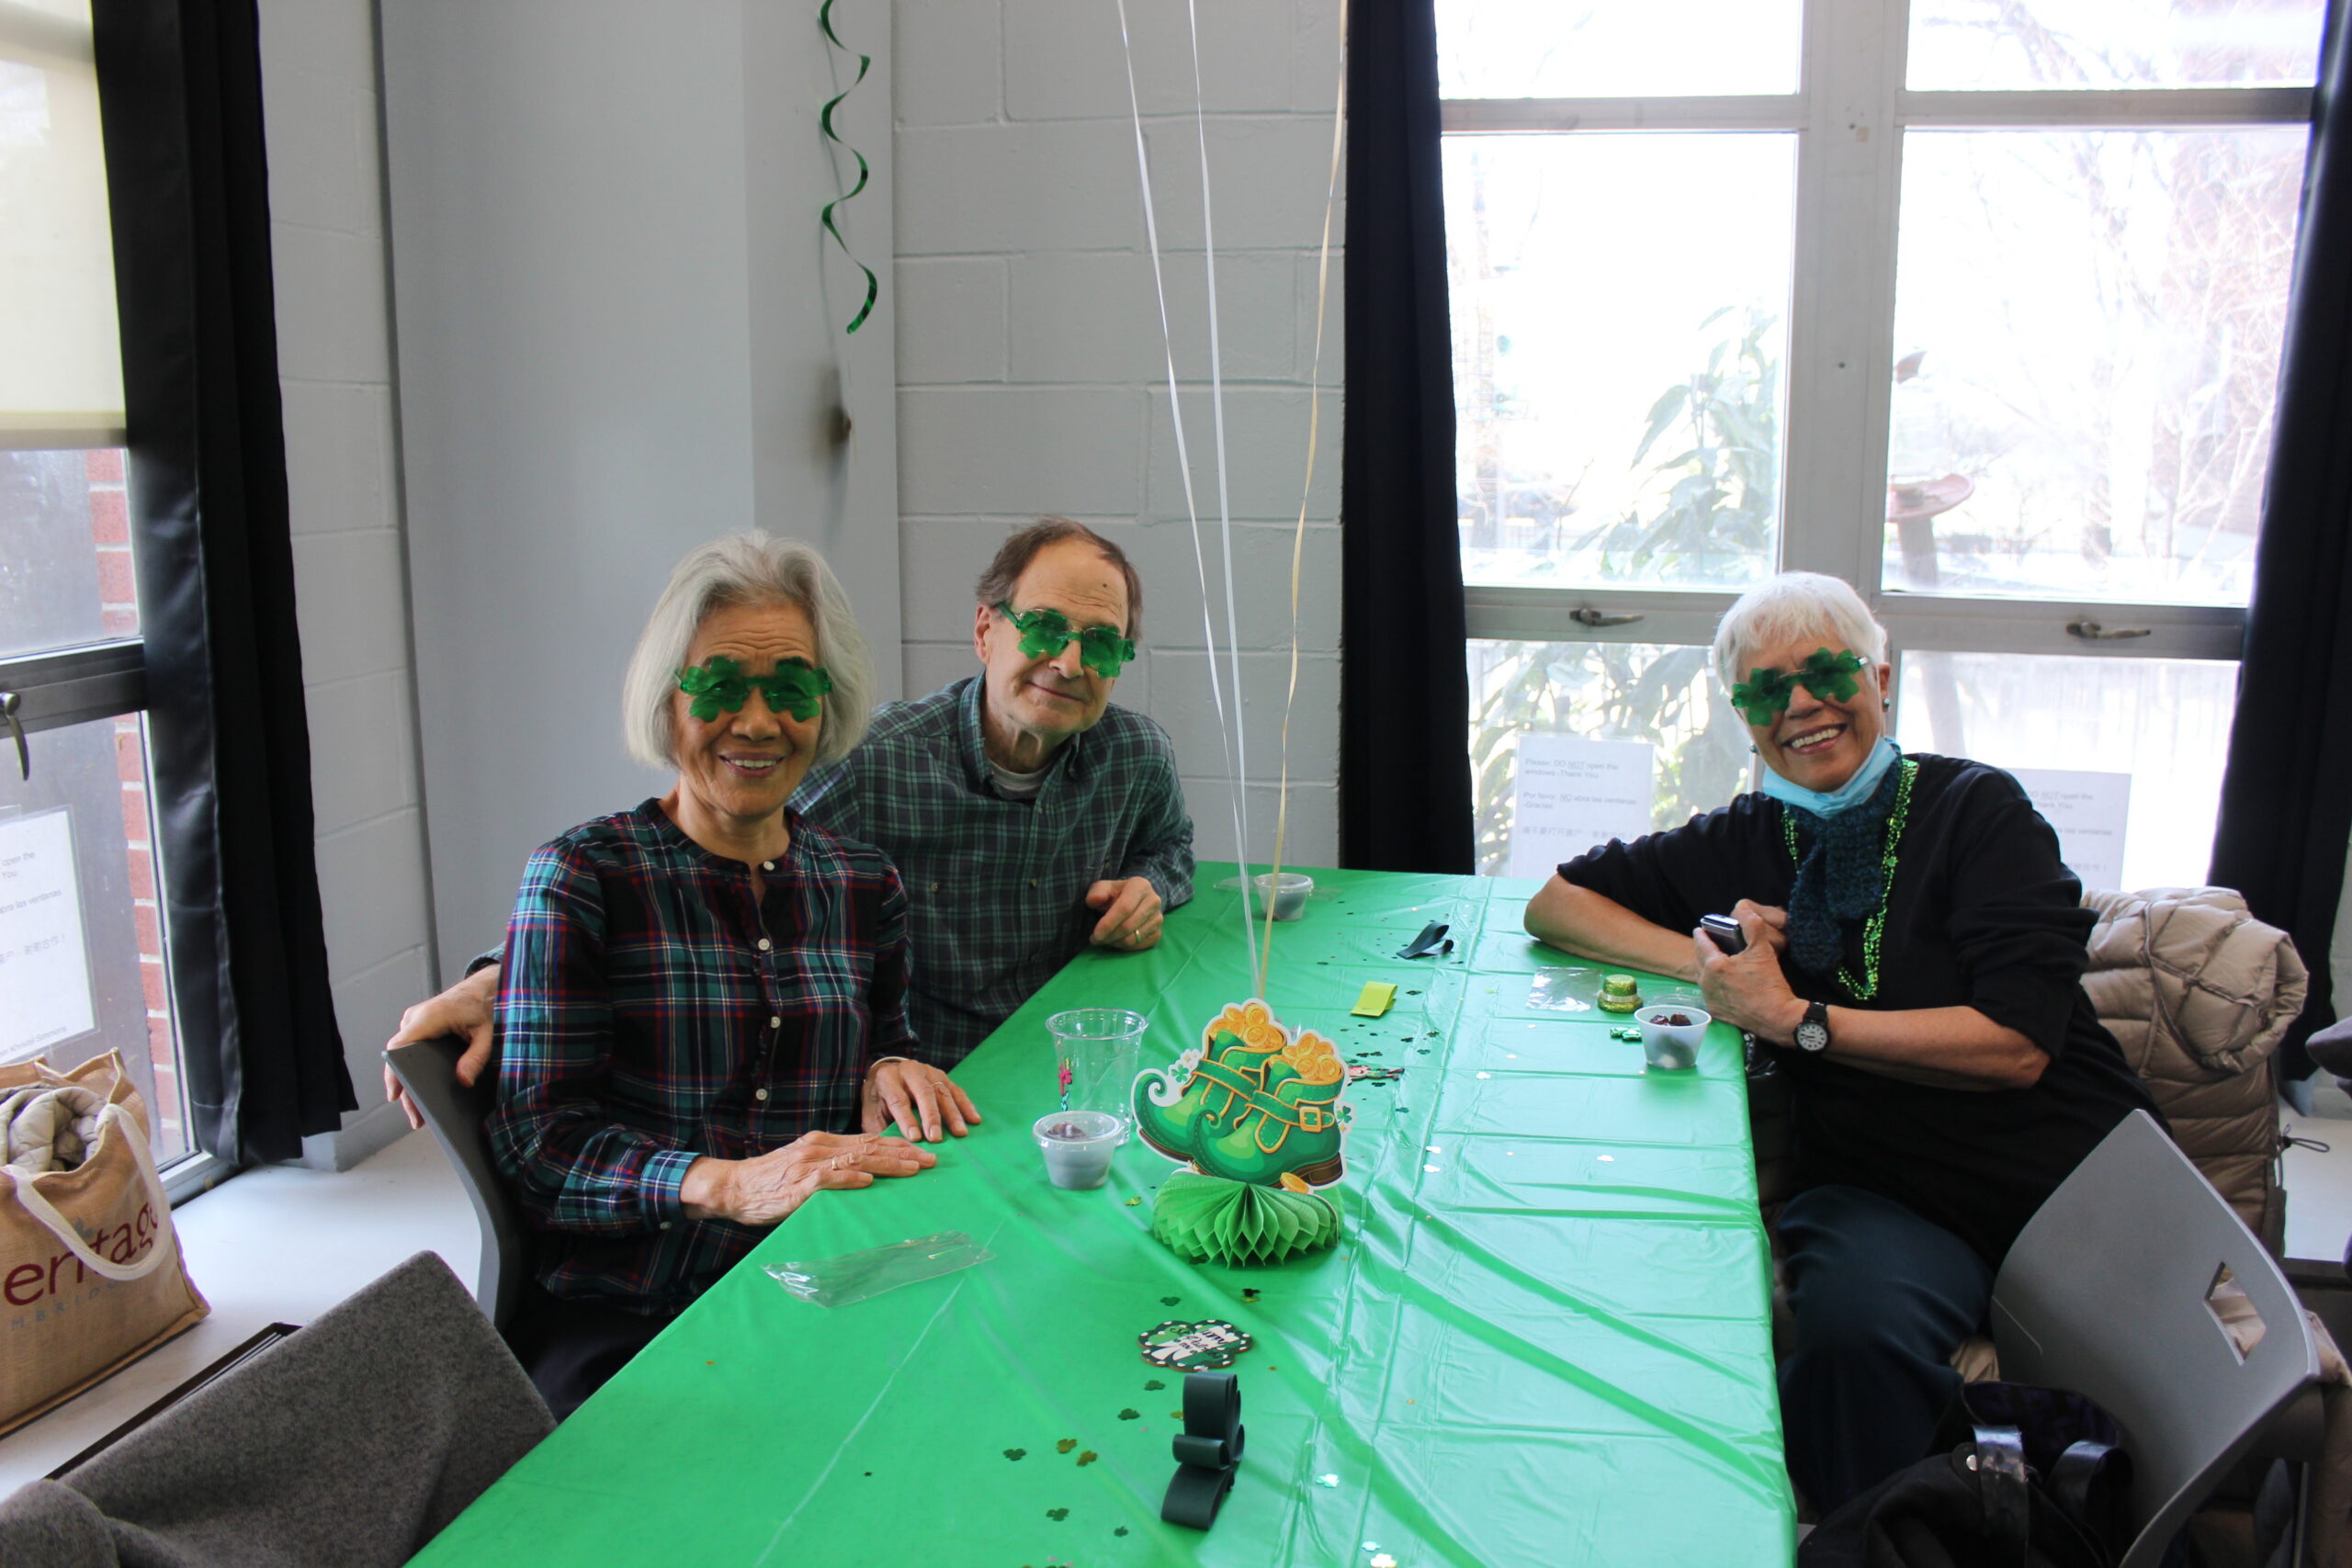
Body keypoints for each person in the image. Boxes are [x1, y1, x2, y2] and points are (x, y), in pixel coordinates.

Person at [1521, 571, 2155, 1513]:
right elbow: (1555, 903)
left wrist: (1794, 1020)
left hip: (2068, 1182)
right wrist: (1718, 969)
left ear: (1882, 678)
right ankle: (1865, 1539)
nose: (1803, 706)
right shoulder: (1750, 834)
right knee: (1845, 1334)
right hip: (1884, 1197)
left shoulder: (1977, 812)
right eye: (1766, 689)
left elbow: (2018, 1044)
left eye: (1827, 672)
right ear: (1744, 716)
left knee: (2159, 1395)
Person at [387, 518, 1193, 1113]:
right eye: (1045, 627)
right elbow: (707, 853)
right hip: (938, 1092)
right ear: (986, 630)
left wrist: (1152, 884)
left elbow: (1174, 845)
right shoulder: (876, 762)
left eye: (1103, 642)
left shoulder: (1135, 756)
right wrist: (507, 974)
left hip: (1055, 1069)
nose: (1070, 662)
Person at [487, 534, 978, 1416]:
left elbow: (885, 1046)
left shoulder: (866, 885)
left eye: (791, 688)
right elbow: (538, 1148)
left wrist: (887, 1071)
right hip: (636, 1312)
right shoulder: (584, 877)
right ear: (669, 698)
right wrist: (725, 1182)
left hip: (822, 1284)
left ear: (824, 709)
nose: (757, 722)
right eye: (719, 686)